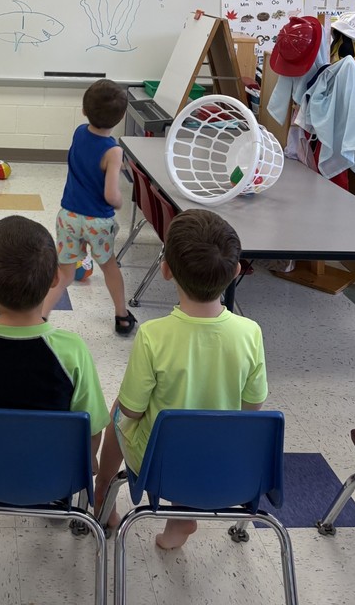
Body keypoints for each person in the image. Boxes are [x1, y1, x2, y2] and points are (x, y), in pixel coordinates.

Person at [95, 209, 267, 550]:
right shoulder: (250, 333)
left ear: (166, 269)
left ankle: (102, 493)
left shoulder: (153, 336)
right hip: (223, 460)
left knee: (116, 412)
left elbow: (130, 411)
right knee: (196, 423)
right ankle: (179, 520)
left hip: (161, 462)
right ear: (235, 272)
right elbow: (252, 408)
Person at [0, 215, 110, 455]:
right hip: (54, 477)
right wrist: (88, 462)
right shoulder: (71, 349)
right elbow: (93, 426)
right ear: (55, 279)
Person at [42, 78, 136, 335]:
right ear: (120, 117)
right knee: (109, 267)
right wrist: (119, 201)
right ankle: (122, 315)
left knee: (65, 274)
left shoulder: (79, 132)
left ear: (84, 110)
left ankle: (40, 319)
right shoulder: (114, 151)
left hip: (68, 216)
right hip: (97, 222)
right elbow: (110, 194)